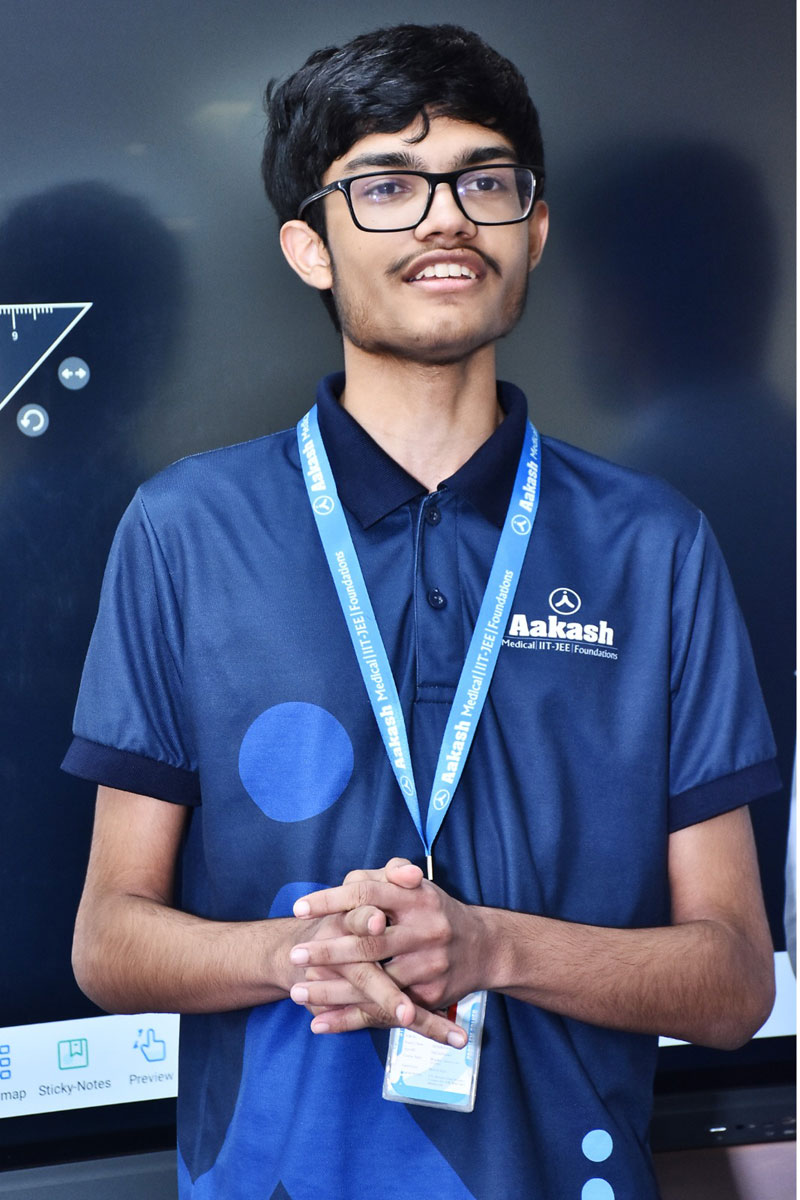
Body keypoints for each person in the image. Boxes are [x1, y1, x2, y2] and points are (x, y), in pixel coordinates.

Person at [64, 23, 779, 1200]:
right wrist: (301, 953)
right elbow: (107, 941)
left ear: (530, 231)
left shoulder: (652, 545)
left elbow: (733, 981)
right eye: (387, 186)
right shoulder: (186, 529)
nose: (445, 219)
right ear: (308, 246)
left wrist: (490, 946)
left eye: (482, 182)